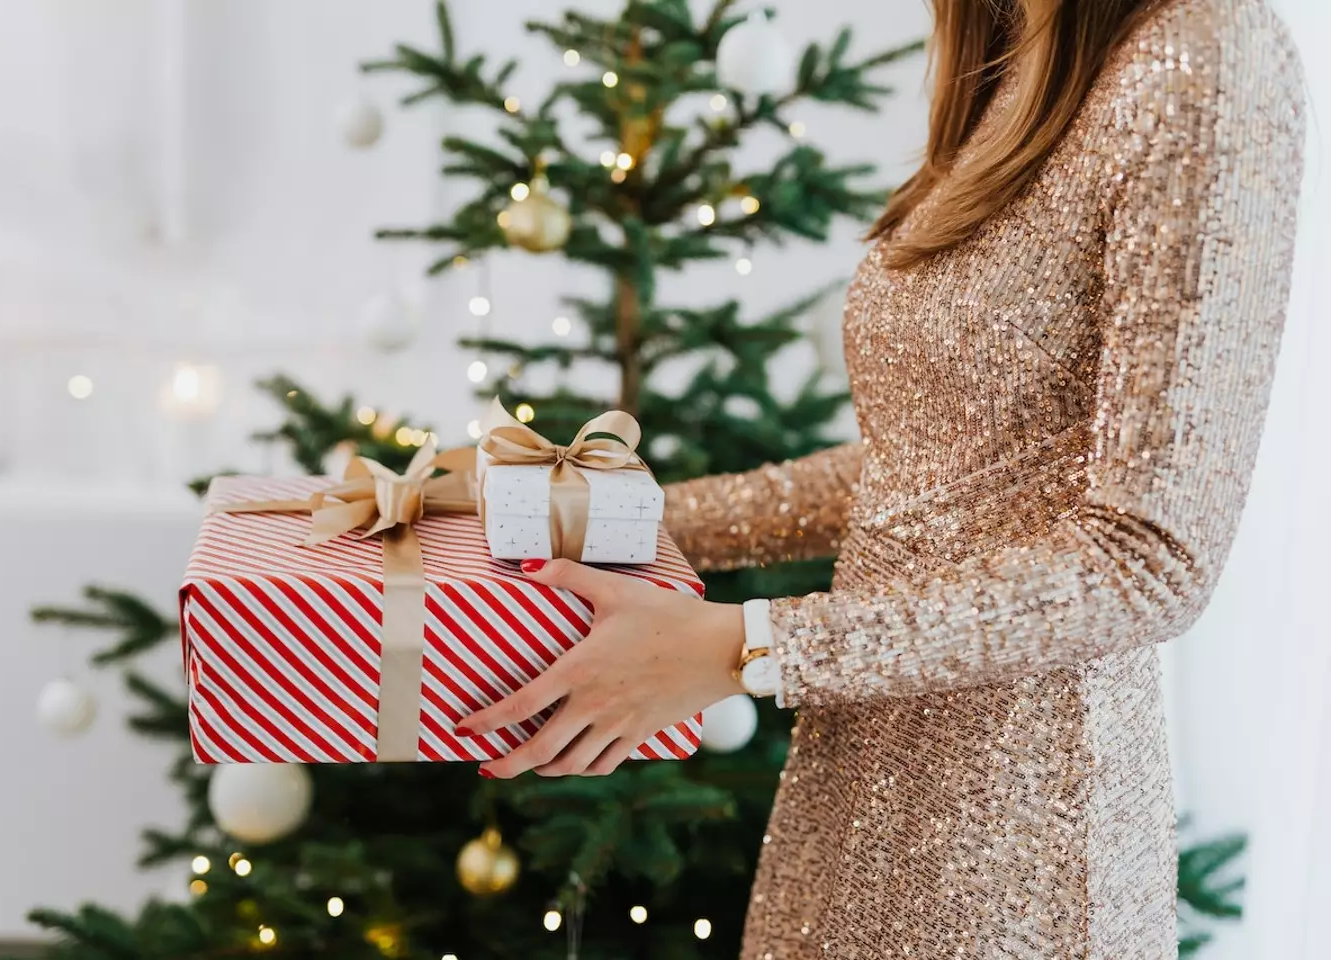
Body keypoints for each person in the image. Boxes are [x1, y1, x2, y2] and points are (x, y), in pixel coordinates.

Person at [459, 0, 1306, 954]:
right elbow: (938, 461)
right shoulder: (1012, 49)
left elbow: (1148, 558)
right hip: (853, 778)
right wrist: (605, 514)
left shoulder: (1206, 49)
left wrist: (750, 649)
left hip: (1015, 842)